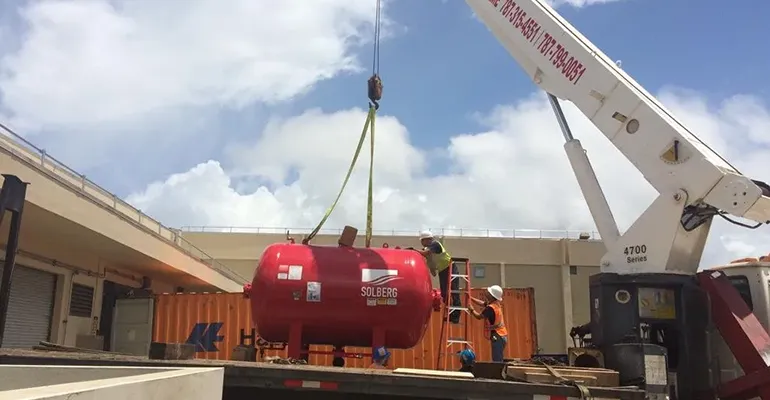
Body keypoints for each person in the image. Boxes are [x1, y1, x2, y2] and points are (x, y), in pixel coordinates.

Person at [415, 230, 460, 324]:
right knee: (444, 294)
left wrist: (413, 251)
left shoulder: (435, 244)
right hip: (442, 271)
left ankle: (456, 316)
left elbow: (425, 253)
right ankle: (451, 314)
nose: (422, 243)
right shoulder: (429, 250)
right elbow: (433, 271)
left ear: (427, 239)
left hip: (450, 267)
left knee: (454, 292)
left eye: (422, 241)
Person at [468, 285, 508, 362]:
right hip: (502, 335)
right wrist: (471, 298)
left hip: (498, 335)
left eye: (489, 292)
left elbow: (479, 317)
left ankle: (498, 373)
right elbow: (482, 303)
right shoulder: (495, 304)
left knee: (497, 360)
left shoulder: (491, 308)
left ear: (492, 296)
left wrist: (472, 310)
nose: (487, 293)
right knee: (498, 358)